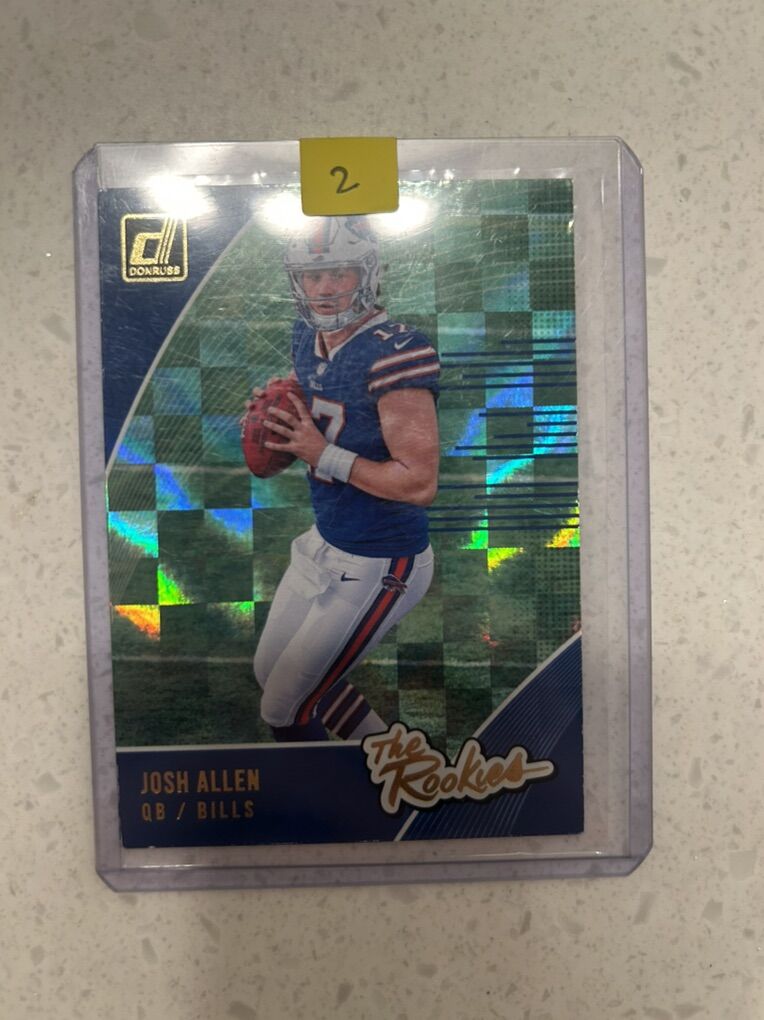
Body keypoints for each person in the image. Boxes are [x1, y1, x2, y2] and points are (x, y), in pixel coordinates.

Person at [251, 215, 440, 742]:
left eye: (339, 273)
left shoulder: (395, 351)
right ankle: (392, 766)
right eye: (313, 276)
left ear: (369, 274)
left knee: (283, 707)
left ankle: (327, 794)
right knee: (271, 672)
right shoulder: (307, 335)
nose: (325, 288)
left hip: (381, 558)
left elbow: (419, 483)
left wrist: (322, 453)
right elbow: (319, 401)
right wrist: (279, 409)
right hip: (326, 539)